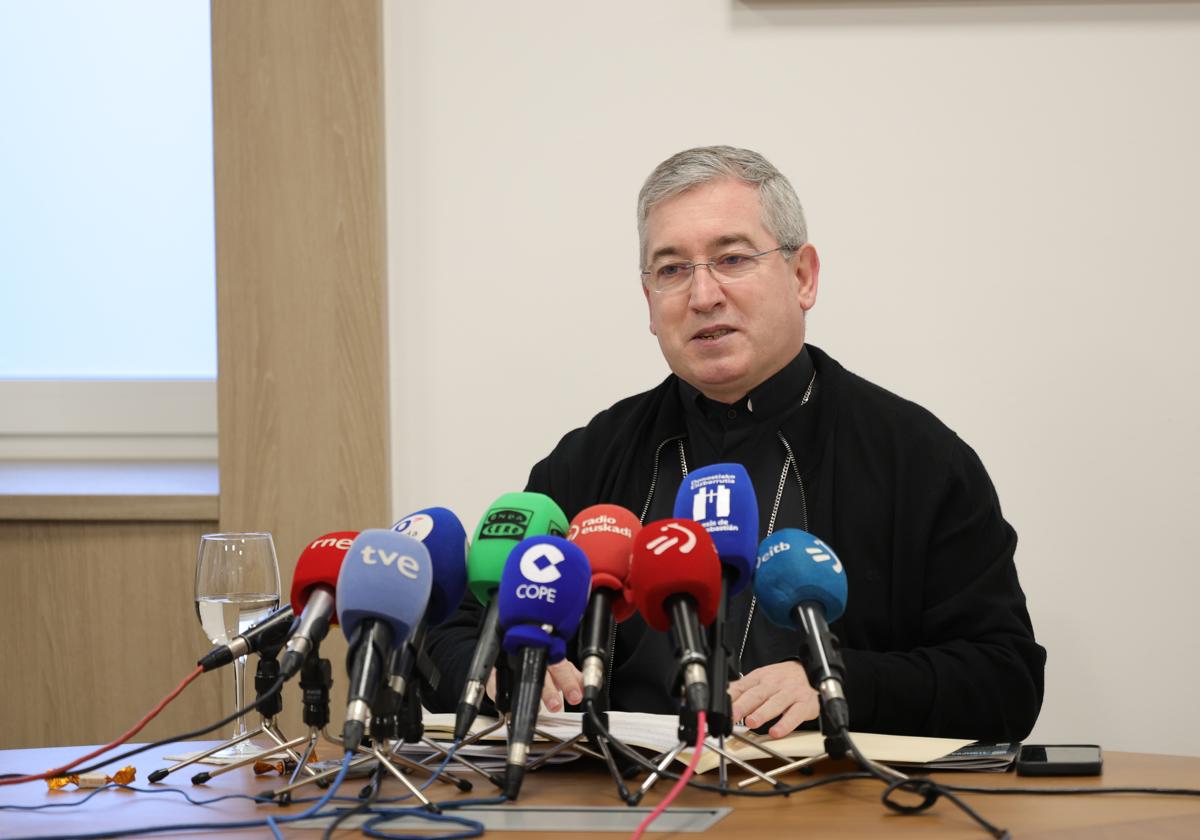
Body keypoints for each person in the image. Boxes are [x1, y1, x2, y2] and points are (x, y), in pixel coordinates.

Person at [425, 146, 1045, 741]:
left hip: (833, 804)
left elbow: (1006, 676)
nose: (702, 295)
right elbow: (455, 631)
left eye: (732, 259)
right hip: (617, 797)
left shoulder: (917, 458)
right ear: (649, 303)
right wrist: (503, 668)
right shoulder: (591, 457)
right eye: (672, 271)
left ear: (802, 276)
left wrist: (836, 682)